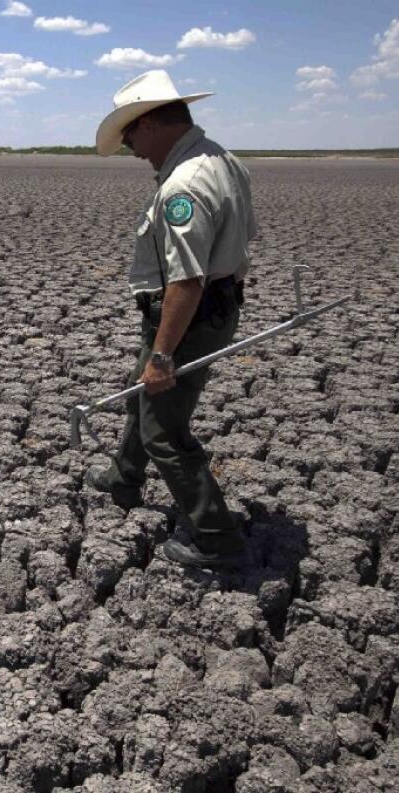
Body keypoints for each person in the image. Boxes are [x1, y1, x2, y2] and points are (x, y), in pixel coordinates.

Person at [85, 70, 256, 569]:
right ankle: (124, 479)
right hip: (207, 310)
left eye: (133, 134)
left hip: (187, 318)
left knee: (164, 428)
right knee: (142, 393)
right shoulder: (222, 159)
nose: (133, 149)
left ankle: (216, 538)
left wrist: (162, 354)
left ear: (156, 122)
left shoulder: (185, 184)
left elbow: (187, 280)